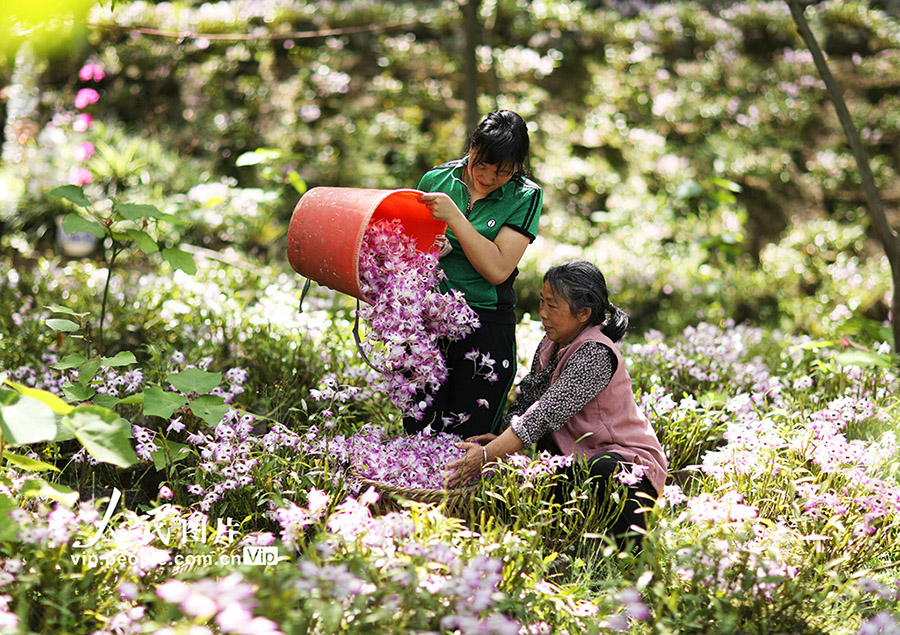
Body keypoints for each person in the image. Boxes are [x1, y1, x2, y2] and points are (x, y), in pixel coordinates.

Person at [445, 260, 668, 543]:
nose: (542, 314)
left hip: (624, 465)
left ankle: (632, 554)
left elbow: (545, 413)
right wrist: (499, 440)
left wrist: (489, 455)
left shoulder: (595, 354)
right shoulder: (552, 343)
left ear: (583, 313)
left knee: (602, 471)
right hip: (575, 460)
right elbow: (528, 400)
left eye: (552, 306)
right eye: (542, 302)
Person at [404, 110, 543, 440]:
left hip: (484, 321)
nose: (489, 176)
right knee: (419, 427)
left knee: (472, 433)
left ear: (517, 167)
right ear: (472, 147)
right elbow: (406, 248)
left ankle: (462, 494)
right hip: (425, 320)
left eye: (503, 171)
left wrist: (454, 218)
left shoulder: (524, 195)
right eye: (481, 163)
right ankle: (418, 494)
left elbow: (497, 269)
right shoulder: (436, 181)